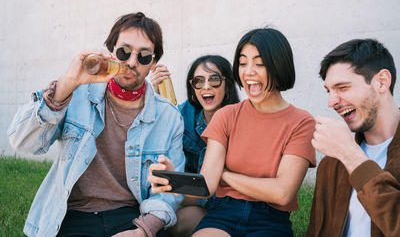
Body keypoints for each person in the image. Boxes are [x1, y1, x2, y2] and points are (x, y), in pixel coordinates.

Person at [7, 12, 185, 237]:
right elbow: (22, 142)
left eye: (143, 57)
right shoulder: (76, 94)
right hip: (73, 215)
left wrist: (143, 231)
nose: (131, 62)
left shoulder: (169, 117)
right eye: (124, 52)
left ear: (153, 64)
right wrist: (65, 85)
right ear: (111, 51)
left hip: (132, 216)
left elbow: (170, 190)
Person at [149, 28, 316, 236]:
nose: (248, 71)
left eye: (259, 63)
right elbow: (207, 185)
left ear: (278, 64)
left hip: (269, 220)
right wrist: (172, 179)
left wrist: (225, 175)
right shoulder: (226, 115)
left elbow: (282, 193)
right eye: (243, 63)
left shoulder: (301, 122)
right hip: (223, 214)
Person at [307, 39, 400, 237]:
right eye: (328, 91)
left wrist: (351, 155)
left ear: (382, 82)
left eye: (342, 88)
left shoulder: (345, 154)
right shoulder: (332, 164)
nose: (332, 102)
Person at [149, 55, 240, 236]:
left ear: (227, 85)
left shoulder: (240, 119)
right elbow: (154, 128)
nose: (206, 86)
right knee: (167, 226)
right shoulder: (183, 114)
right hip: (199, 201)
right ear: (193, 89)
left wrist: (175, 185)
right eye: (199, 81)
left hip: (230, 204)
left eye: (214, 79)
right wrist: (155, 94)